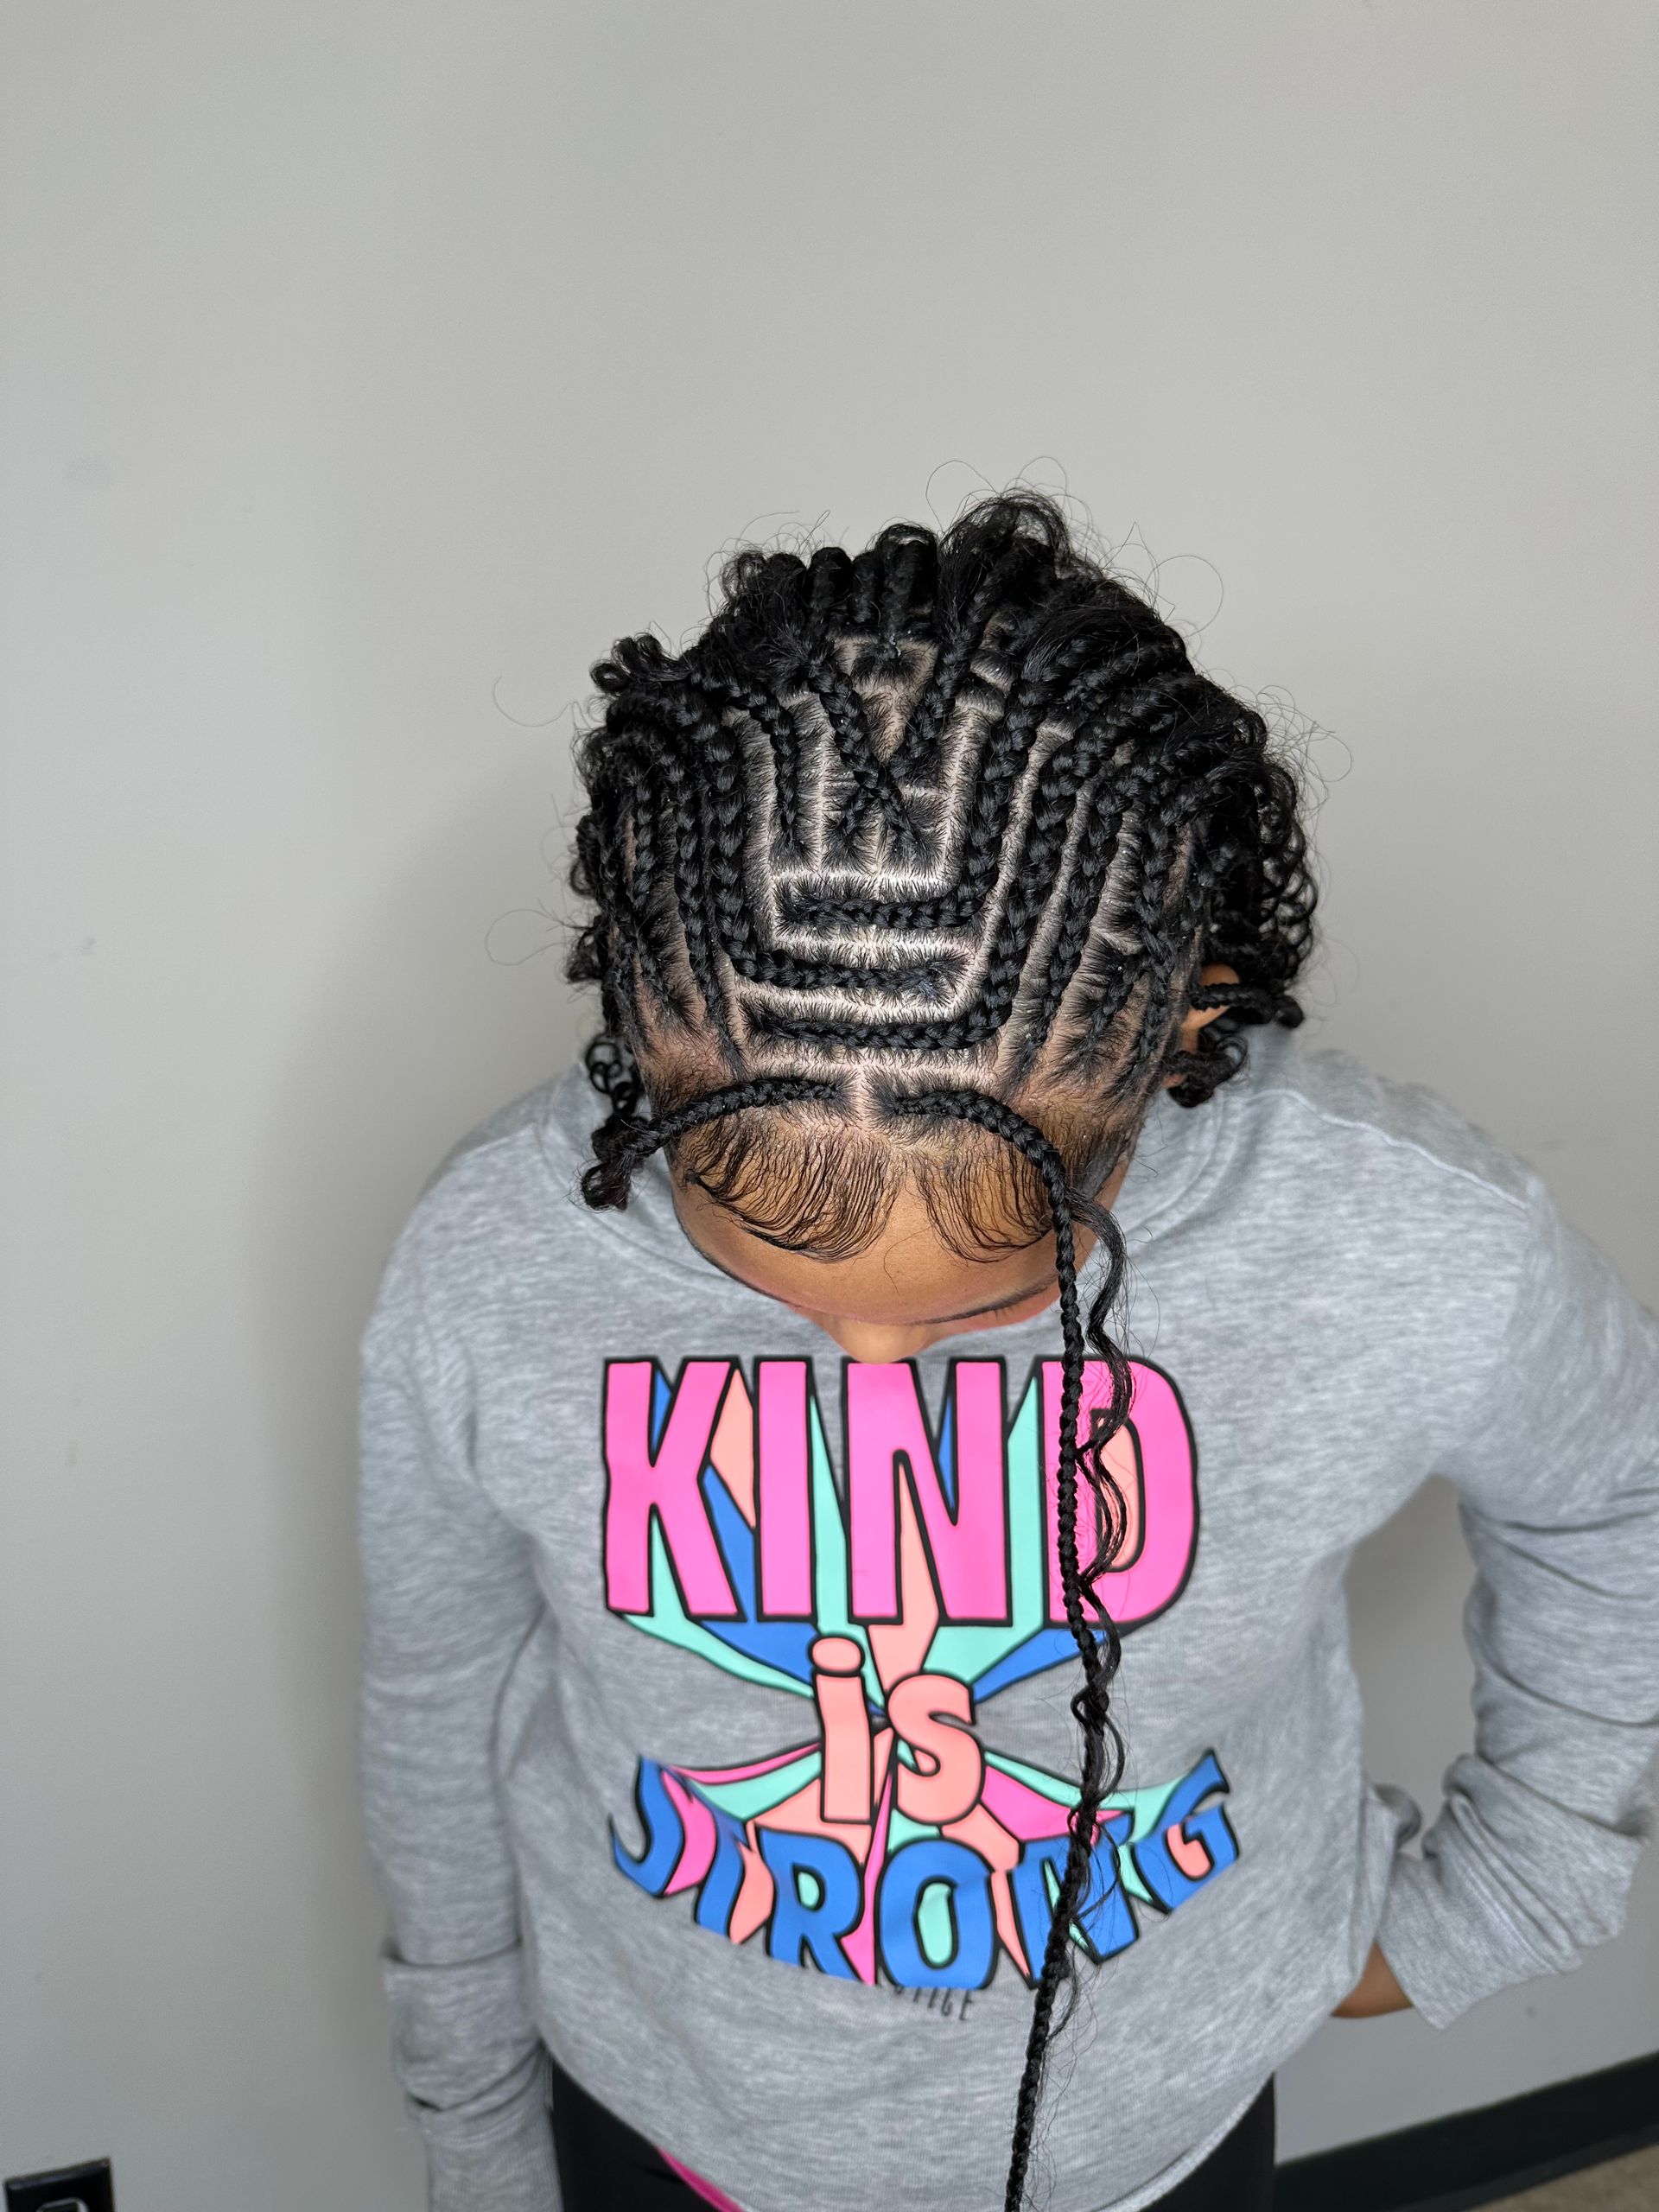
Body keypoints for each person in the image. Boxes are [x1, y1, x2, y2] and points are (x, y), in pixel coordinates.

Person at [356, 495, 1659, 2212]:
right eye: (760, 1274)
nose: (871, 1376)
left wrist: (1508, 1891)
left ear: (1183, 1026)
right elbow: (439, 1695)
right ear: (648, 1042)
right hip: (660, 2126)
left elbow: (1616, 1501)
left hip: (1158, 2152)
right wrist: (473, 2123)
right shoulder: (492, 1257)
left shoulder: (1402, 1235)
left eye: (978, 1300)